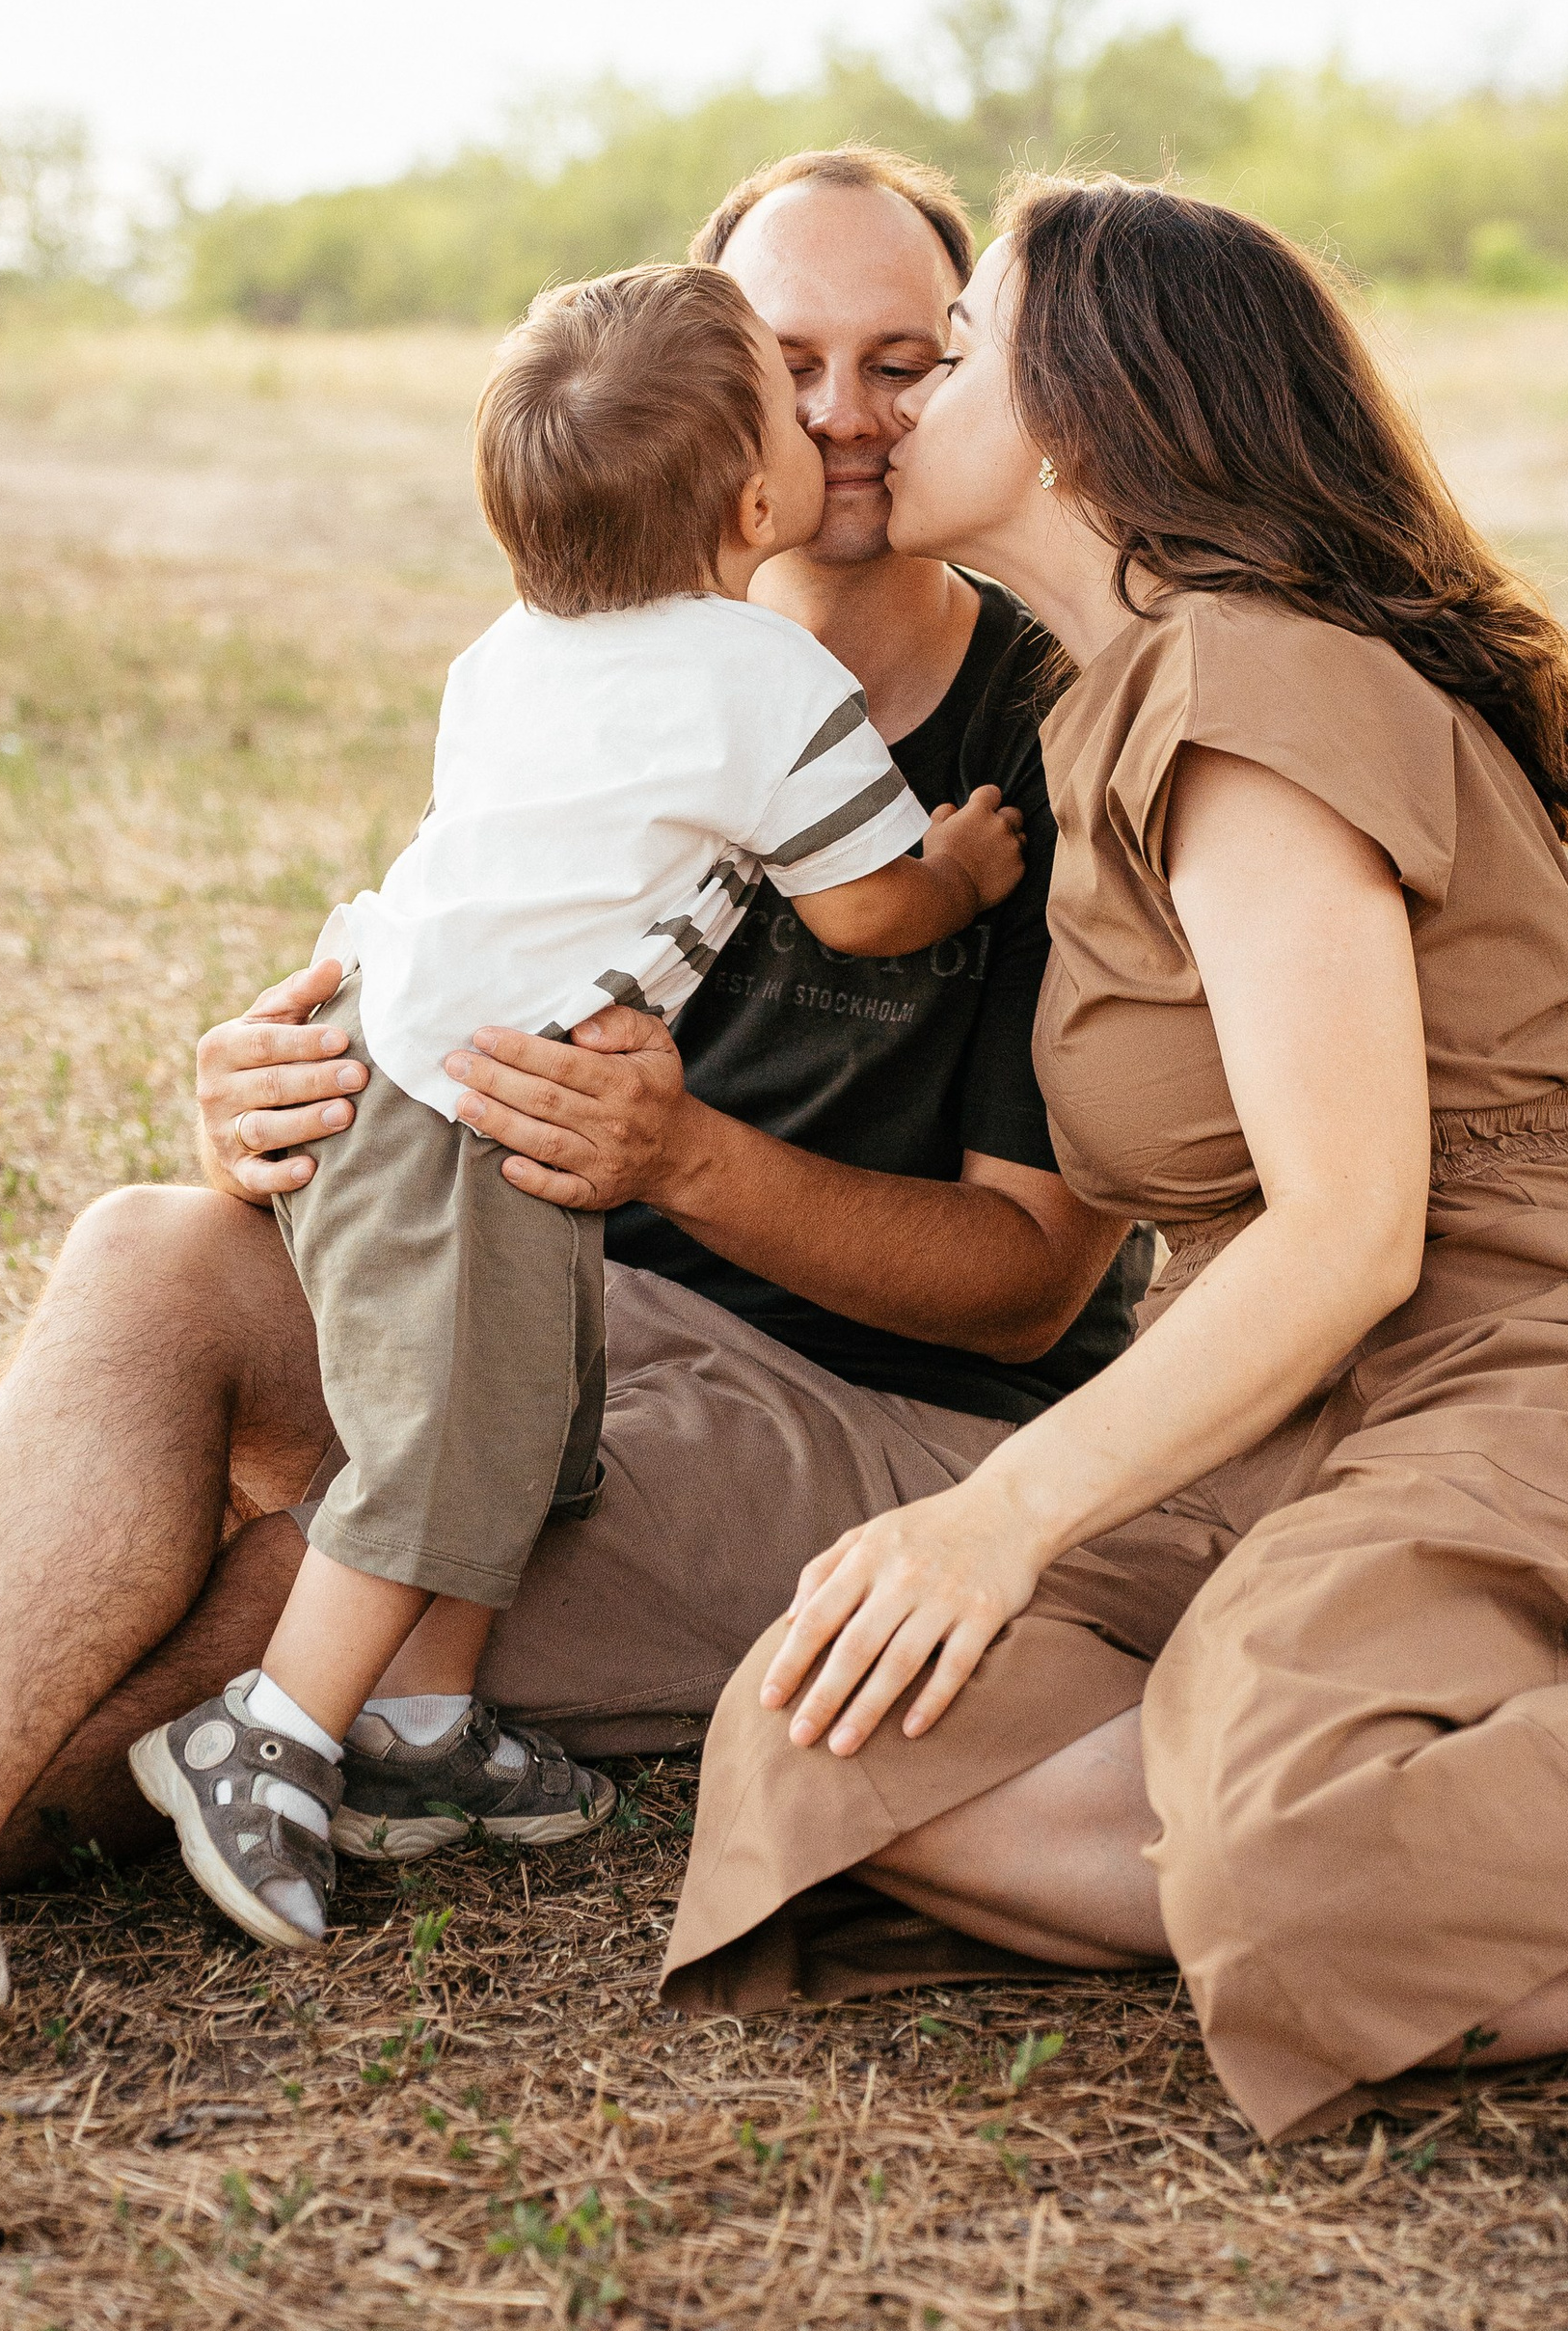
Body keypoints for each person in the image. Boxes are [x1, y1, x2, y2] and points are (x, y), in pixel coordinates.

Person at [0, 147, 1141, 2019]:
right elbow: (449, 970)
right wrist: (289, 1086)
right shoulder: (595, 664)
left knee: (354, 1556)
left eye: (905, 360)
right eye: (785, 353)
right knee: (159, 1253)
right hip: (555, 1289)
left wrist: (690, 1159)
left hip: (868, 1415)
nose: (843, 413)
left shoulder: (1051, 749)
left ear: (976, 376)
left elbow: (1033, 1277)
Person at [658, 176, 1568, 2133]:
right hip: (1280, 1407)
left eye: (951, 352)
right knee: (825, 1743)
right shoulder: (1105, 702)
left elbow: (1347, 1235)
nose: (885, 408)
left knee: (1273, 1856)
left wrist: (1000, 1511)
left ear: (1073, 410)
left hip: (1509, 1361)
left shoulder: (1245, 676)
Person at [133, 260, 1022, 1954]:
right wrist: (960, 869)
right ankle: (268, 1733)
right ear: (756, 496)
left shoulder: (509, 650)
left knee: (530, 1428)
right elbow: (865, 907)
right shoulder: (763, 683)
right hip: (461, 1112)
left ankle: (424, 1729)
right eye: (790, 384)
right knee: (448, 1438)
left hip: (429, 1078)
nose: (836, 420)